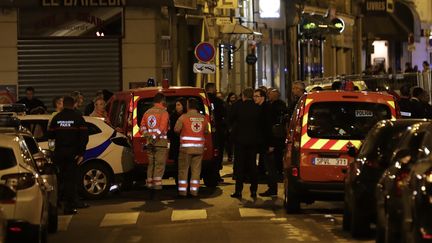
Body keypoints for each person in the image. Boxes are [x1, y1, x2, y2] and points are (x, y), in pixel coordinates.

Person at [47, 96, 89, 215]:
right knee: (71, 181)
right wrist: (81, 153)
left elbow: (50, 134)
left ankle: (57, 205)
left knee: (59, 180)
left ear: (64, 104)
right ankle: (69, 207)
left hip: (59, 154)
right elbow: (84, 137)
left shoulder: (57, 118)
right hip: (73, 155)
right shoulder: (78, 118)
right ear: (72, 104)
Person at [229, 87, 261, 199]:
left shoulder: (237, 106)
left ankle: (238, 191)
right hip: (253, 140)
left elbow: (230, 119)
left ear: (243, 96)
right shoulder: (257, 107)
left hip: (240, 140)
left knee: (239, 166)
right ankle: (253, 190)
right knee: (252, 166)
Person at [174, 98, 209, 197]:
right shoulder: (203, 118)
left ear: (188, 106)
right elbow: (206, 131)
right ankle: (194, 192)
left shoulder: (183, 117)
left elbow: (176, 129)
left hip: (186, 149)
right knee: (196, 171)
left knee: (183, 171)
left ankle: (183, 192)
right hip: (199, 149)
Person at [140, 93, 169, 192]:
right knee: (159, 165)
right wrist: (154, 137)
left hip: (149, 143)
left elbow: (142, 127)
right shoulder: (164, 113)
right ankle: (157, 187)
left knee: (151, 164)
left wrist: (148, 136)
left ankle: (149, 185)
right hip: (160, 143)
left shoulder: (147, 112)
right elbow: (162, 127)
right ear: (162, 101)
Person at [205, 82, 226, 183]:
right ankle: (216, 174)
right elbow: (224, 115)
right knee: (217, 154)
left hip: (204, 132)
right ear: (213, 89)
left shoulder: (203, 100)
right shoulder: (218, 101)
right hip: (217, 131)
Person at [268, 88, 288, 177]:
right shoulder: (270, 104)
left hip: (278, 132)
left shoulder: (280, 105)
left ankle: (278, 170)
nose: (269, 96)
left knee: (278, 152)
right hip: (273, 131)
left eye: (271, 95)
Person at [168, 98, 187, 165]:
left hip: (185, 144)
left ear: (183, 105)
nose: (177, 107)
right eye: (176, 105)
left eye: (179, 105)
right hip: (175, 143)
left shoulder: (186, 116)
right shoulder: (172, 116)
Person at [225, 92, 237, 163]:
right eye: (232, 97)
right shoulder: (226, 105)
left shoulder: (236, 105)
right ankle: (230, 155)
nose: (233, 99)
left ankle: (233, 155)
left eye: (234, 98)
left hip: (234, 127)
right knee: (229, 143)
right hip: (228, 127)